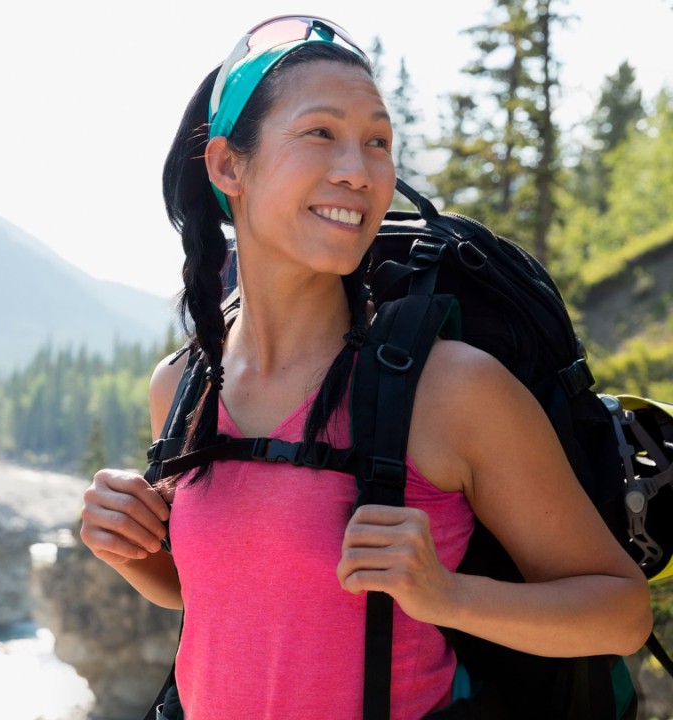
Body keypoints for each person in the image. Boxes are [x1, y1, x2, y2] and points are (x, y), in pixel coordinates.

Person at [78, 15, 652, 719]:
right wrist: (136, 551)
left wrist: (447, 595)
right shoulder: (183, 387)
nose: (358, 169)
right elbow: (229, 595)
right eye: (321, 132)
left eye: (378, 141)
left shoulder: (450, 391)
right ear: (229, 165)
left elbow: (621, 612)